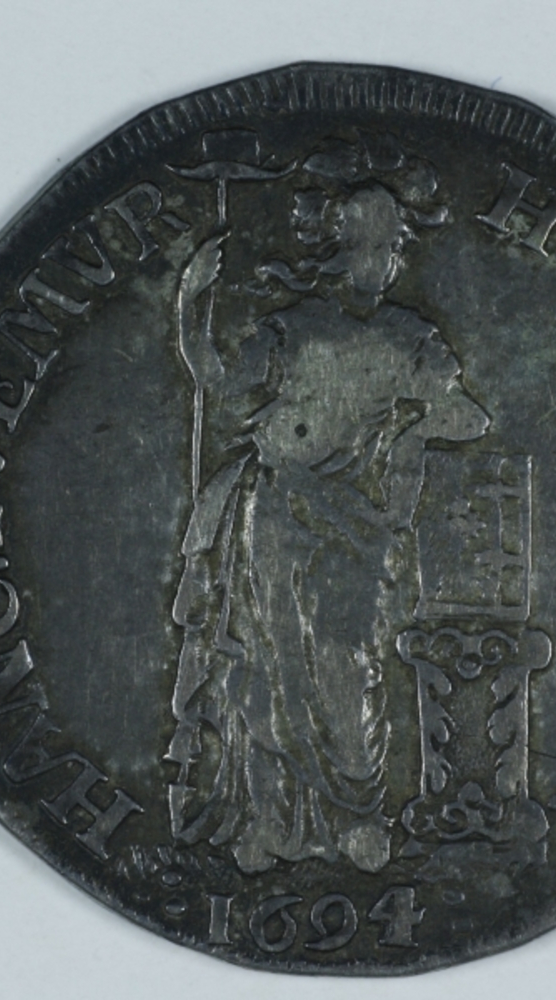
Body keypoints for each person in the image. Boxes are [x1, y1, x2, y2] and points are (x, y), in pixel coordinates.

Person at [166, 134, 490, 873]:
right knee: (271, 661)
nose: (391, 259)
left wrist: (407, 429)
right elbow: (221, 382)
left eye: (396, 246)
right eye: (381, 243)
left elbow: (470, 418)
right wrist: (189, 306)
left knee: (350, 663)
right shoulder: (294, 327)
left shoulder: (413, 338)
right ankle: (270, 819)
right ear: (348, 245)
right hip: (277, 508)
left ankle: (357, 815)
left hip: (360, 521)